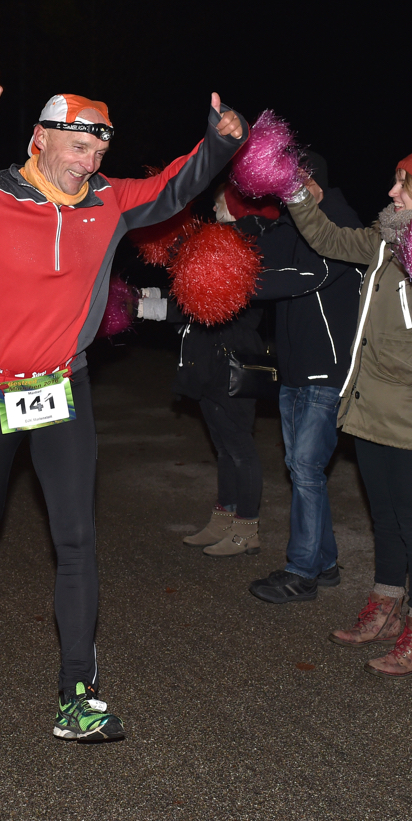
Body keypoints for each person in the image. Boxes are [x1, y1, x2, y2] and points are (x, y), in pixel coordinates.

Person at [0, 69, 246, 740]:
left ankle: (77, 695)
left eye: (99, 152)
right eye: (78, 147)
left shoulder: (108, 201)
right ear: (39, 138)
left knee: (76, 539)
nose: (90, 163)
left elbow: (175, 184)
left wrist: (218, 144)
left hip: (63, 389)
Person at [283, 141, 412, 677]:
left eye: (403, 184)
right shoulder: (384, 241)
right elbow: (329, 238)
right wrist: (301, 197)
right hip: (368, 407)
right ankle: (384, 605)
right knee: (384, 520)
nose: (391, 191)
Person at [235, 154, 366, 602]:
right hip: (293, 370)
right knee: (302, 470)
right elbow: (254, 250)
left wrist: (239, 279)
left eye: (291, 185)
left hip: (328, 372)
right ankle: (324, 563)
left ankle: (302, 571)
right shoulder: (289, 224)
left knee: (307, 470)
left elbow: (311, 273)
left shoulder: (340, 224)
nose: (283, 196)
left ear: (312, 181)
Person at [135, 185, 267, 557]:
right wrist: (156, 297)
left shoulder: (247, 248)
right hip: (206, 363)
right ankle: (223, 519)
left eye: (222, 199)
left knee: (240, 449)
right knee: (224, 448)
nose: (214, 204)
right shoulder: (218, 243)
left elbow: (223, 308)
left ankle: (246, 529)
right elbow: (195, 298)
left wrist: (158, 310)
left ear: (237, 206)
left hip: (230, 363)